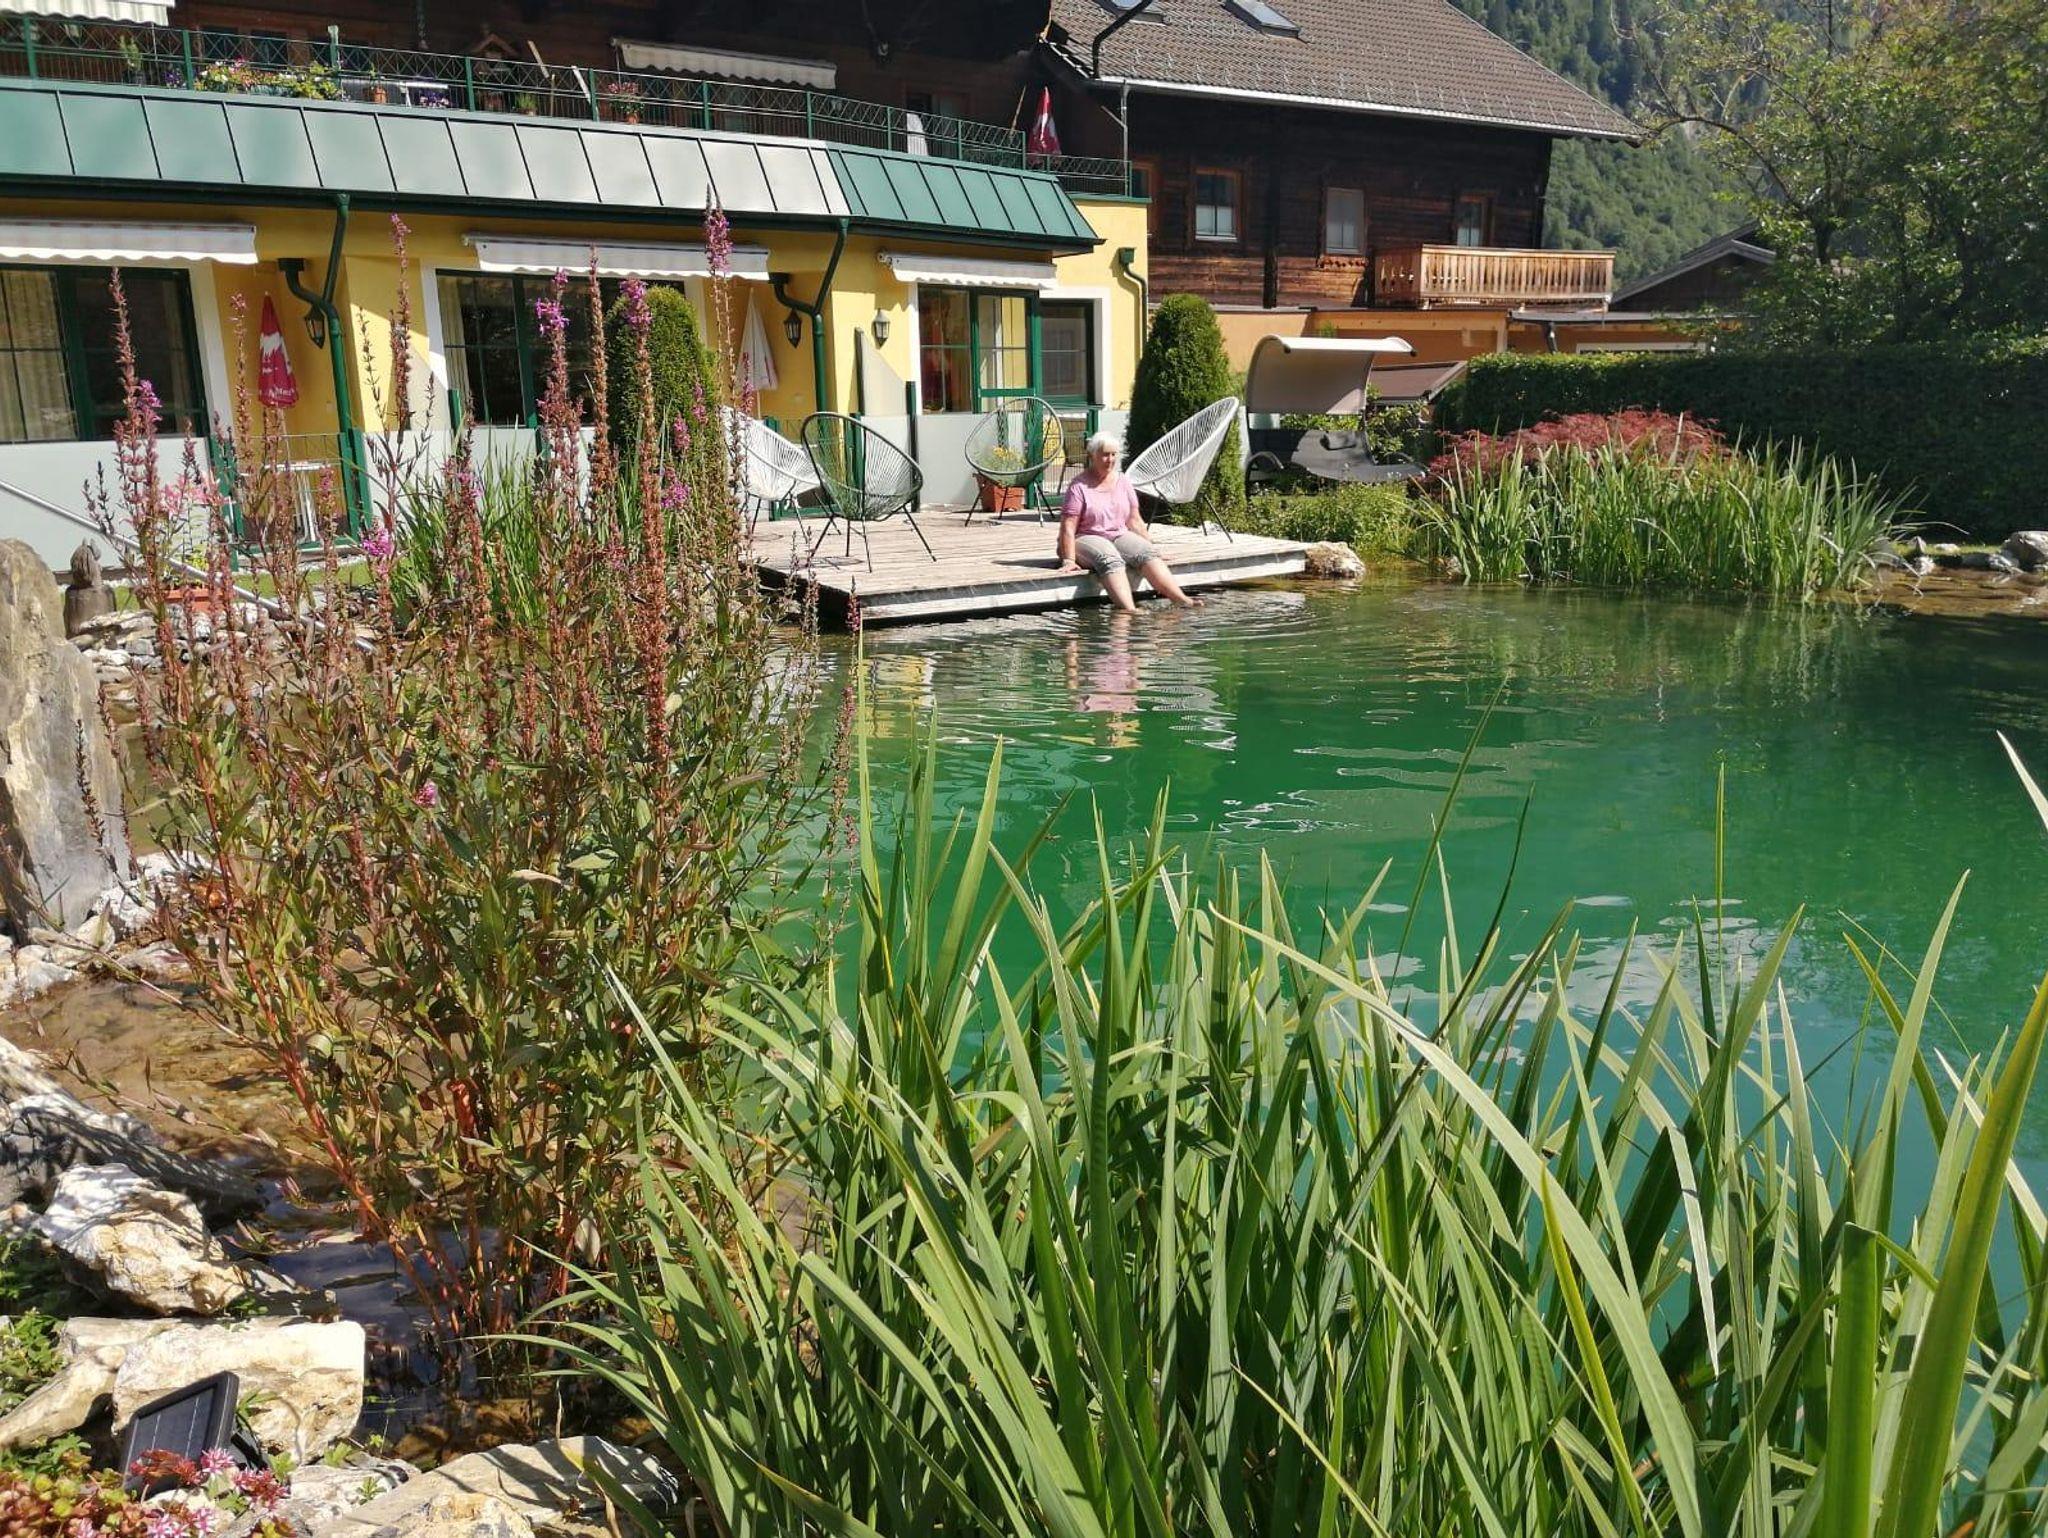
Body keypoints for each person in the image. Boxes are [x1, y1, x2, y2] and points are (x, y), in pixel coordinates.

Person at [1056, 432, 1200, 612]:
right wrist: (1068, 559)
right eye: (1105, 455)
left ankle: (1182, 600)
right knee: (1110, 558)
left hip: (1117, 534)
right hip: (1084, 537)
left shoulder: (1122, 481)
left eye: (1113, 454)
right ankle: (1130, 610)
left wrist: (1152, 547)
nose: (1110, 459)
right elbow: (1068, 526)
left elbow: (1134, 519)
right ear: (1092, 455)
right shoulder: (1078, 486)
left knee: (1148, 554)